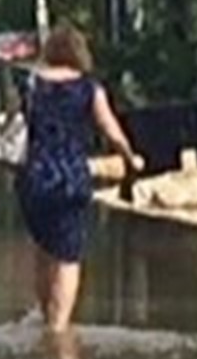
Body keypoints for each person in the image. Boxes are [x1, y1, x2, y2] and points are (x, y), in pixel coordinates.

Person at [15, 26, 143, 332]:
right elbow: (111, 131)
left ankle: (47, 317)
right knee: (68, 256)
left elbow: (18, 125)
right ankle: (58, 332)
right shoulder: (89, 88)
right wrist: (130, 158)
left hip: (34, 179)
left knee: (44, 247)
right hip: (70, 178)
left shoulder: (31, 84)